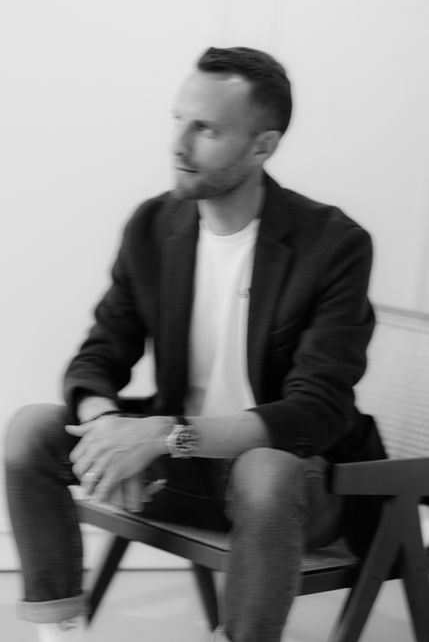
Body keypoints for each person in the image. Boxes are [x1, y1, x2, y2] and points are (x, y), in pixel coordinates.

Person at [5, 46, 386, 642]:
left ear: (262, 146)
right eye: (178, 120)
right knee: (31, 429)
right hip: (179, 475)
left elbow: (314, 412)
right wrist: (107, 431)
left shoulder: (333, 245)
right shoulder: (153, 227)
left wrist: (164, 435)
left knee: (266, 471)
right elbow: (99, 356)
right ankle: (60, 634)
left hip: (293, 493)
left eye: (205, 129)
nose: (178, 146)